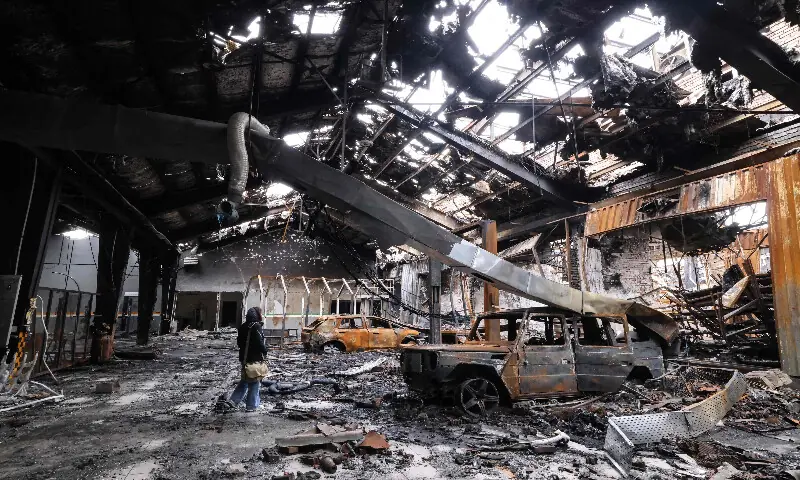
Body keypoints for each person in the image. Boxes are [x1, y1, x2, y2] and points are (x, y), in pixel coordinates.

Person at [228, 307, 269, 412]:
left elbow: (239, 343)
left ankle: (233, 400)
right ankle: (251, 406)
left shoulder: (242, 327)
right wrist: (265, 351)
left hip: (244, 358)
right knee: (255, 382)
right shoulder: (256, 327)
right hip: (254, 359)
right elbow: (260, 343)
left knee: (246, 379)